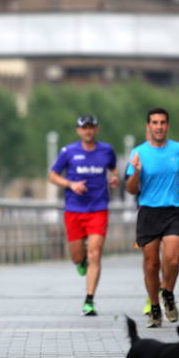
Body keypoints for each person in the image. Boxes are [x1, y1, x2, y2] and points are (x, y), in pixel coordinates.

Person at [48, 115, 119, 316]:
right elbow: (52, 175)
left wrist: (114, 179)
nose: (88, 131)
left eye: (91, 127)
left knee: (95, 253)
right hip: (74, 209)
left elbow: (114, 169)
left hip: (98, 209)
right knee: (77, 256)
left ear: (96, 130)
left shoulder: (107, 150)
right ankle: (81, 263)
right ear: (78, 131)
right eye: (84, 128)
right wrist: (71, 184)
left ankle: (89, 300)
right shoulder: (68, 152)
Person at [126, 107, 179, 328]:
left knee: (172, 260)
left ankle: (168, 294)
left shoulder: (178, 149)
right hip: (148, 212)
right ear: (148, 126)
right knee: (151, 265)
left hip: (172, 211)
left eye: (163, 122)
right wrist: (136, 172)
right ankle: (154, 307)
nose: (159, 126)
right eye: (155, 122)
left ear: (167, 125)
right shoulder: (138, 153)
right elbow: (131, 189)